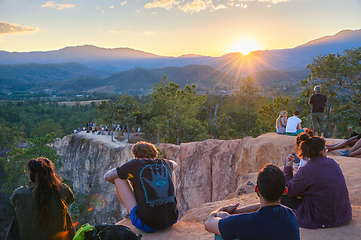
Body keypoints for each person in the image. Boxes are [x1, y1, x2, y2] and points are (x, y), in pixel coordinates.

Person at [204, 164, 300, 240]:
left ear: (256, 189)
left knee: (221, 219)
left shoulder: (246, 222)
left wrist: (221, 210)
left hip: (237, 223)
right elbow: (269, 208)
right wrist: (237, 211)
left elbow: (208, 224)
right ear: (284, 191)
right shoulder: (291, 215)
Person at [103, 141, 178, 233]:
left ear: (136, 156)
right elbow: (174, 164)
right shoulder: (165, 163)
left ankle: (129, 211)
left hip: (147, 225)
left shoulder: (135, 164)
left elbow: (106, 176)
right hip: (171, 220)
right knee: (171, 171)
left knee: (118, 178)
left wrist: (128, 177)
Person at [282, 134, 352, 229]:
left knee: (281, 197)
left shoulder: (306, 170)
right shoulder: (332, 163)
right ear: (322, 151)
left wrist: (288, 168)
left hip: (321, 219)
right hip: (343, 216)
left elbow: (289, 191)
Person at [6, 157, 75, 240]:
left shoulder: (20, 194)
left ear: (32, 175)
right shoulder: (62, 190)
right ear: (51, 174)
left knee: (19, 215)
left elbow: (14, 202)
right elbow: (70, 199)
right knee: (63, 208)